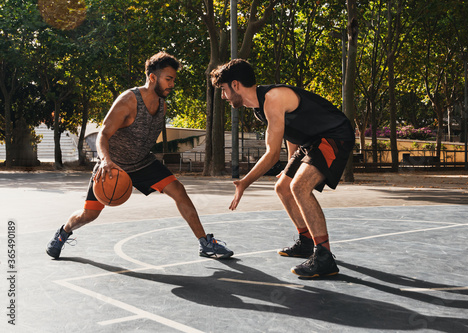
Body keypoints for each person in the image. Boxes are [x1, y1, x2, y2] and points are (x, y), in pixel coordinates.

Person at [46, 52, 233, 260]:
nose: (172, 84)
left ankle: (205, 243)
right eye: (168, 79)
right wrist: (106, 161)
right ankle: (63, 232)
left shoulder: (162, 104)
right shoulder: (128, 101)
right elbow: (103, 134)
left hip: (142, 162)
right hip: (113, 166)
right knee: (88, 214)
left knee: (179, 190)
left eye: (173, 80)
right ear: (152, 77)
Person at [210, 59, 354, 278]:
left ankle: (324, 257)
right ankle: (306, 241)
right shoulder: (259, 106)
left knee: (299, 187)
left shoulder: (273, 98)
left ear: (236, 85)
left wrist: (244, 183)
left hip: (334, 136)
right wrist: (290, 165)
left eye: (223, 89)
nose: (223, 96)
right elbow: (290, 132)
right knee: (283, 187)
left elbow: (271, 154)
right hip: (310, 143)